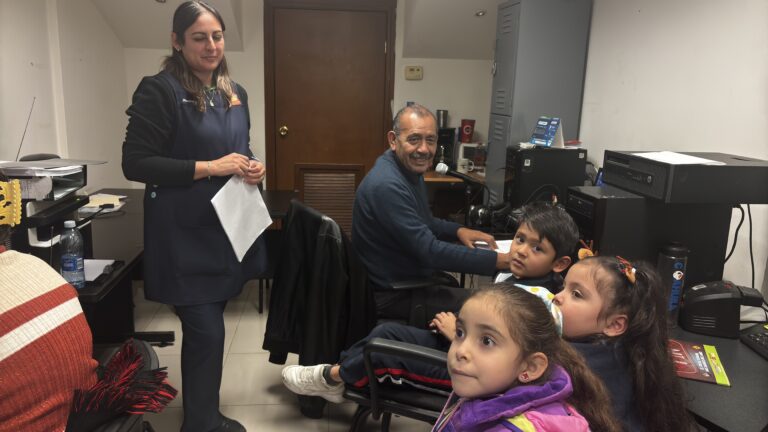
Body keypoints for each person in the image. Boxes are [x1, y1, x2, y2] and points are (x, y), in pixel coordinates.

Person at [121, 2, 265, 431]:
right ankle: (201, 422)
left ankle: (203, 415)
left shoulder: (233, 91)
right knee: (207, 331)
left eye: (217, 36)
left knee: (209, 328)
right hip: (182, 236)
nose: (211, 45)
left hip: (223, 230)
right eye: (199, 37)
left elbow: (243, 147)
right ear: (177, 41)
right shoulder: (160, 90)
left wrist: (254, 165)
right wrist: (210, 167)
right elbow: (136, 163)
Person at [282, 202, 579, 402]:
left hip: (476, 377)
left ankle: (333, 377)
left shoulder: (538, 305)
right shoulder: (517, 278)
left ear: (559, 263)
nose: (521, 251)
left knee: (382, 352)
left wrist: (455, 334)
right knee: (386, 334)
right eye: (520, 239)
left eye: (537, 248)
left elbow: (506, 365)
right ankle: (339, 374)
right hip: (464, 348)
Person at [352, 104, 512, 320]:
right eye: (414, 139)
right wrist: (499, 261)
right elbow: (431, 251)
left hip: (405, 280)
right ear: (393, 140)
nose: (424, 149)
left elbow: (424, 221)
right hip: (391, 295)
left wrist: (459, 231)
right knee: (495, 311)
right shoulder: (386, 185)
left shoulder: (406, 170)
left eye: (431, 140)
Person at [432, 285, 621, 431]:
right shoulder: (489, 388)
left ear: (530, 367)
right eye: (460, 332)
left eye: (487, 341)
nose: (461, 350)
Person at [556, 255, 693, 432]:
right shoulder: (626, 347)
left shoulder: (575, 363)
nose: (557, 297)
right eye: (563, 287)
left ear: (614, 325)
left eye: (576, 294)